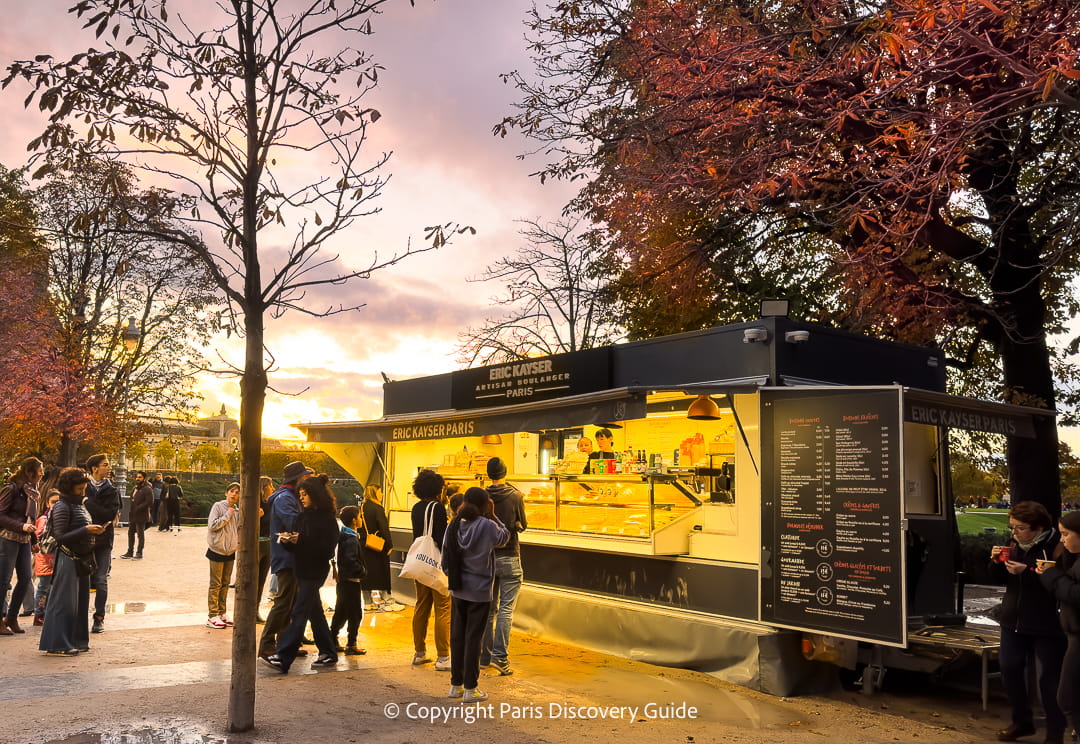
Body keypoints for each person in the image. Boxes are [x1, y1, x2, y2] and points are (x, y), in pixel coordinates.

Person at [990, 500, 1067, 743]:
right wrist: (995, 563)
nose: (1014, 533)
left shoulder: (1058, 546)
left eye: (1020, 528)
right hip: (1013, 619)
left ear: (1039, 528)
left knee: (1049, 678)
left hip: (1047, 623)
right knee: (1009, 668)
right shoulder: (1015, 544)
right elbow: (998, 579)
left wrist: (1028, 572)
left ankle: (1055, 733)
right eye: (1012, 527)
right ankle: (1021, 722)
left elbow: (1061, 585)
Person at [263, 474, 340, 673]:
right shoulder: (303, 516)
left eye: (305, 494)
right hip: (301, 567)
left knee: (299, 612)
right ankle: (329, 652)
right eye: (301, 494)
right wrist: (288, 542)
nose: (302, 498)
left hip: (315, 570)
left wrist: (300, 541)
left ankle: (284, 656)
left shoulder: (328, 520)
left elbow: (326, 549)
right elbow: (299, 545)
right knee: (315, 613)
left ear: (315, 495)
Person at [441, 486, 509, 703]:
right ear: (484, 505)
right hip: (479, 592)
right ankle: (471, 688)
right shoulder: (488, 526)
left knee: (457, 637)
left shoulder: (452, 526)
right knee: (474, 640)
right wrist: (493, 515)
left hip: (458, 589)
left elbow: (444, 561)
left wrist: (455, 579)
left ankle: (456, 685)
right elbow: (504, 537)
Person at [39, 468, 106, 656]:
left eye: (84, 488)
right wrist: (86, 530)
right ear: (70, 489)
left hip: (80, 558)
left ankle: (76, 639)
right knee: (64, 602)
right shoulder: (62, 506)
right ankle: (59, 642)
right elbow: (59, 537)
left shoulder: (77, 505)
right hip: (68, 557)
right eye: (79, 489)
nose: (83, 492)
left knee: (80, 602)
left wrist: (92, 532)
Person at [258, 461, 313, 659]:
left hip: (293, 556)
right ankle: (266, 644)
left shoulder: (290, 496)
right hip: (287, 556)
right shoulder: (284, 498)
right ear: (298, 479)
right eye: (305, 478)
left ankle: (285, 643)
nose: (307, 481)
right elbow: (294, 523)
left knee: (291, 602)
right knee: (283, 603)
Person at [481, 456, 527, 676]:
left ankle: (484, 656)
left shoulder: (481, 496)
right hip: (509, 555)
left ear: (488, 473)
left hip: (487, 558)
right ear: (505, 471)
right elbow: (523, 525)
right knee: (506, 610)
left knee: (489, 610)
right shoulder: (515, 495)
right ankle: (501, 658)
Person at [1037, 509, 1080, 744]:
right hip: (1073, 635)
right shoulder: (1073, 557)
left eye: (1066, 534)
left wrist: (1051, 575)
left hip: (1078, 638)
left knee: (1068, 697)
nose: (1062, 539)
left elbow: (1073, 593)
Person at [410, 469, 451, 671]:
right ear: (437, 488)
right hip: (436, 563)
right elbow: (442, 537)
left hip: (419, 563)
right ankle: (443, 657)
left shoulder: (416, 508)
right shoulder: (438, 508)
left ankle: (419, 652)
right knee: (443, 608)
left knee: (421, 606)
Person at [0, 457, 43, 635]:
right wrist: (21, 526)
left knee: (25, 579)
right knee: (3, 581)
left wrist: (33, 540)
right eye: (40, 470)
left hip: (24, 540)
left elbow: (30, 519)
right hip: (8, 538)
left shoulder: (33, 491)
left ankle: (11, 617)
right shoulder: (12, 489)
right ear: (30, 471)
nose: (42, 473)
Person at [83, 454, 120, 635]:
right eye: (105, 465)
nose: (109, 467)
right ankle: (80, 615)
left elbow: (109, 515)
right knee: (81, 579)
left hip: (104, 540)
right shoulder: (82, 487)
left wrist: (88, 503)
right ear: (94, 468)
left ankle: (99, 618)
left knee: (101, 579)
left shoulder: (112, 490)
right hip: (83, 539)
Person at [330, 504, 367, 656]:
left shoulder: (344, 536)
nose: (361, 520)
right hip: (351, 580)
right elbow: (351, 560)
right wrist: (362, 571)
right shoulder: (351, 539)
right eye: (359, 517)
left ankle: (332, 638)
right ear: (354, 520)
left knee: (342, 611)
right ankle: (351, 643)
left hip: (344, 580)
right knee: (355, 613)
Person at [206, 482, 240, 629]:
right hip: (217, 550)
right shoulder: (218, 506)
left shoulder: (238, 510)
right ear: (226, 493)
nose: (234, 494)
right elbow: (212, 525)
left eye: (237, 492)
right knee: (215, 584)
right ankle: (212, 615)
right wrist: (227, 515)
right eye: (232, 491)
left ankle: (222, 612)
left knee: (225, 583)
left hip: (230, 551)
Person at [361, 484, 399, 612]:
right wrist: (389, 545)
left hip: (364, 545)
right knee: (382, 572)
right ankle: (387, 601)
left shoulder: (361, 508)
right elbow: (384, 528)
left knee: (366, 573)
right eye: (380, 492)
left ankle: (367, 602)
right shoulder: (377, 508)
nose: (382, 494)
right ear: (374, 493)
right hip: (378, 545)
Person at [33, 487, 60, 626]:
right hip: (45, 557)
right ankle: (39, 614)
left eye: (58, 502)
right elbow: (38, 537)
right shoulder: (43, 519)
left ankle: (46, 613)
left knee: (52, 586)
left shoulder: (60, 517)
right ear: (47, 504)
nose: (56, 504)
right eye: (53, 502)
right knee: (43, 586)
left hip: (55, 557)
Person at [121, 471, 153, 559]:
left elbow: (150, 501)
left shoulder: (147, 489)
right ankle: (130, 551)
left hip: (141, 515)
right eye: (137, 477)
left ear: (144, 478)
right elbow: (132, 499)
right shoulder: (135, 488)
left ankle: (139, 553)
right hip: (133, 514)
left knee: (140, 534)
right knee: (130, 533)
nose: (137, 479)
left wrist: (139, 507)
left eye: (140, 477)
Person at [256, 475, 274, 623]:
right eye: (270, 485)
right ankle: (248, 611)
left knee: (261, 580)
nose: (273, 488)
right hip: (255, 545)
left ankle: (255, 610)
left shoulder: (271, 504)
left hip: (267, 543)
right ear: (263, 488)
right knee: (251, 581)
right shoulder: (253, 504)